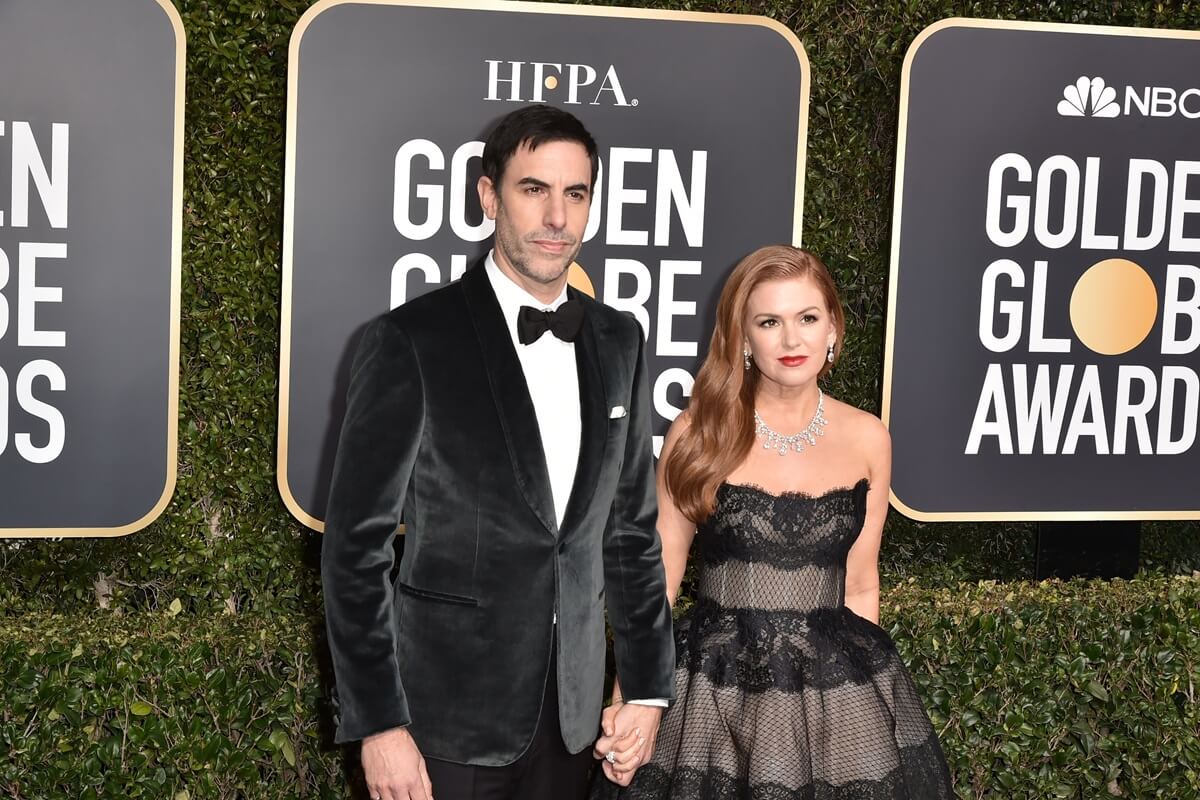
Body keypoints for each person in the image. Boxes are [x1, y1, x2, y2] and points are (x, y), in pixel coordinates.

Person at [321, 104, 675, 800]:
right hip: (443, 724)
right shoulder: (410, 341)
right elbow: (354, 550)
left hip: (575, 727)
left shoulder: (618, 342)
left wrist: (647, 689)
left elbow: (630, 533)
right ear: (489, 197)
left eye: (576, 195)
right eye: (533, 189)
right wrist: (380, 725)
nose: (556, 218)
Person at [593, 245, 954, 798]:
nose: (791, 340)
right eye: (769, 321)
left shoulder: (868, 438)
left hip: (831, 694)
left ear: (832, 327)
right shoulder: (698, 434)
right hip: (711, 695)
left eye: (807, 318)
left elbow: (860, 585)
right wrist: (630, 701)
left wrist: (860, 705)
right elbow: (658, 580)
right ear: (742, 337)